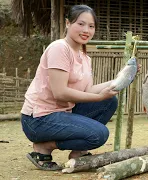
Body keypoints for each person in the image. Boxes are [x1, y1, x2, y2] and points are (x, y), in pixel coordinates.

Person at [20, 5, 135, 171]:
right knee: (99, 134)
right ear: (68, 23)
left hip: (61, 114)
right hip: (38, 119)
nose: (86, 30)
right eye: (80, 24)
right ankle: (43, 146)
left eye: (91, 26)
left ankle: (78, 153)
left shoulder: (84, 57)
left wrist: (122, 79)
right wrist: (98, 97)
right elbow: (60, 93)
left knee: (109, 102)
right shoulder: (59, 48)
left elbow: (87, 92)